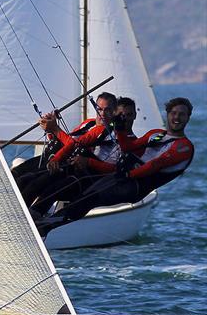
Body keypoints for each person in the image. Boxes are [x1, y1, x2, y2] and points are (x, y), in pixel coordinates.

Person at [36, 97, 195, 234]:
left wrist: (128, 175)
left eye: (182, 114)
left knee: (91, 199)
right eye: (174, 113)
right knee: (83, 196)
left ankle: (47, 226)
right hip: (123, 176)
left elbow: (156, 164)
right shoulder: (156, 134)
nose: (177, 117)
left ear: (188, 118)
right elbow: (128, 147)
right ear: (167, 113)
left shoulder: (184, 146)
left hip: (134, 186)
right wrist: (119, 129)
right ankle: (45, 221)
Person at [10, 92, 117, 181]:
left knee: (60, 149)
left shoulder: (106, 129)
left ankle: (21, 176)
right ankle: (16, 174)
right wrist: (50, 130)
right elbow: (66, 140)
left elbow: (75, 145)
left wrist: (55, 129)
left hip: (82, 169)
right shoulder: (89, 123)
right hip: (65, 158)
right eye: (99, 109)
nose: (102, 114)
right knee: (54, 145)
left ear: (114, 112)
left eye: (107, 110)